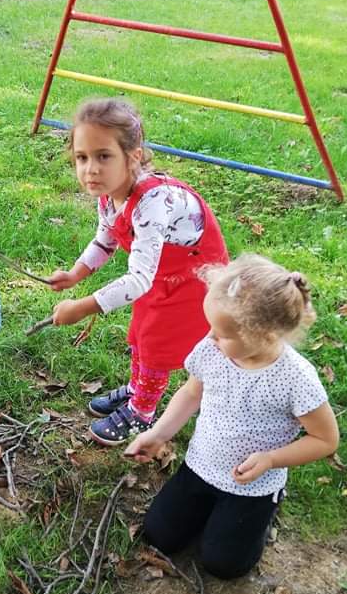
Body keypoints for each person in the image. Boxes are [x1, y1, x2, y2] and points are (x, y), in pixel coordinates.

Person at [124, 254, 339, 579]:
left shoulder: (296, 379)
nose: (210, 337)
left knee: (224, 564)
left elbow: (325, 439)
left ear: (265, 335)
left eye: (223, 334)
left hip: (252, 485)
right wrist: (159, 434)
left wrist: (271, 459)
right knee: (158, 535)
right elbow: (191, 393)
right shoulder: (214, 349)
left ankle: (262, 513)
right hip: (201, 466)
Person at [49, 98, 229, 446]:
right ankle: (137, 388)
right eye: (82, 158)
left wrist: (82, 307)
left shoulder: (152, 203)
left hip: (194, 278)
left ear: (133, 157)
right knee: (140, 333)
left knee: (156, 344)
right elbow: (104, 241)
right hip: (158, 274)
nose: (90, 170)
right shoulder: (109, 195)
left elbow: (137, 280)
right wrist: (74, 275)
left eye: (104, 156)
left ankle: (142, 412)